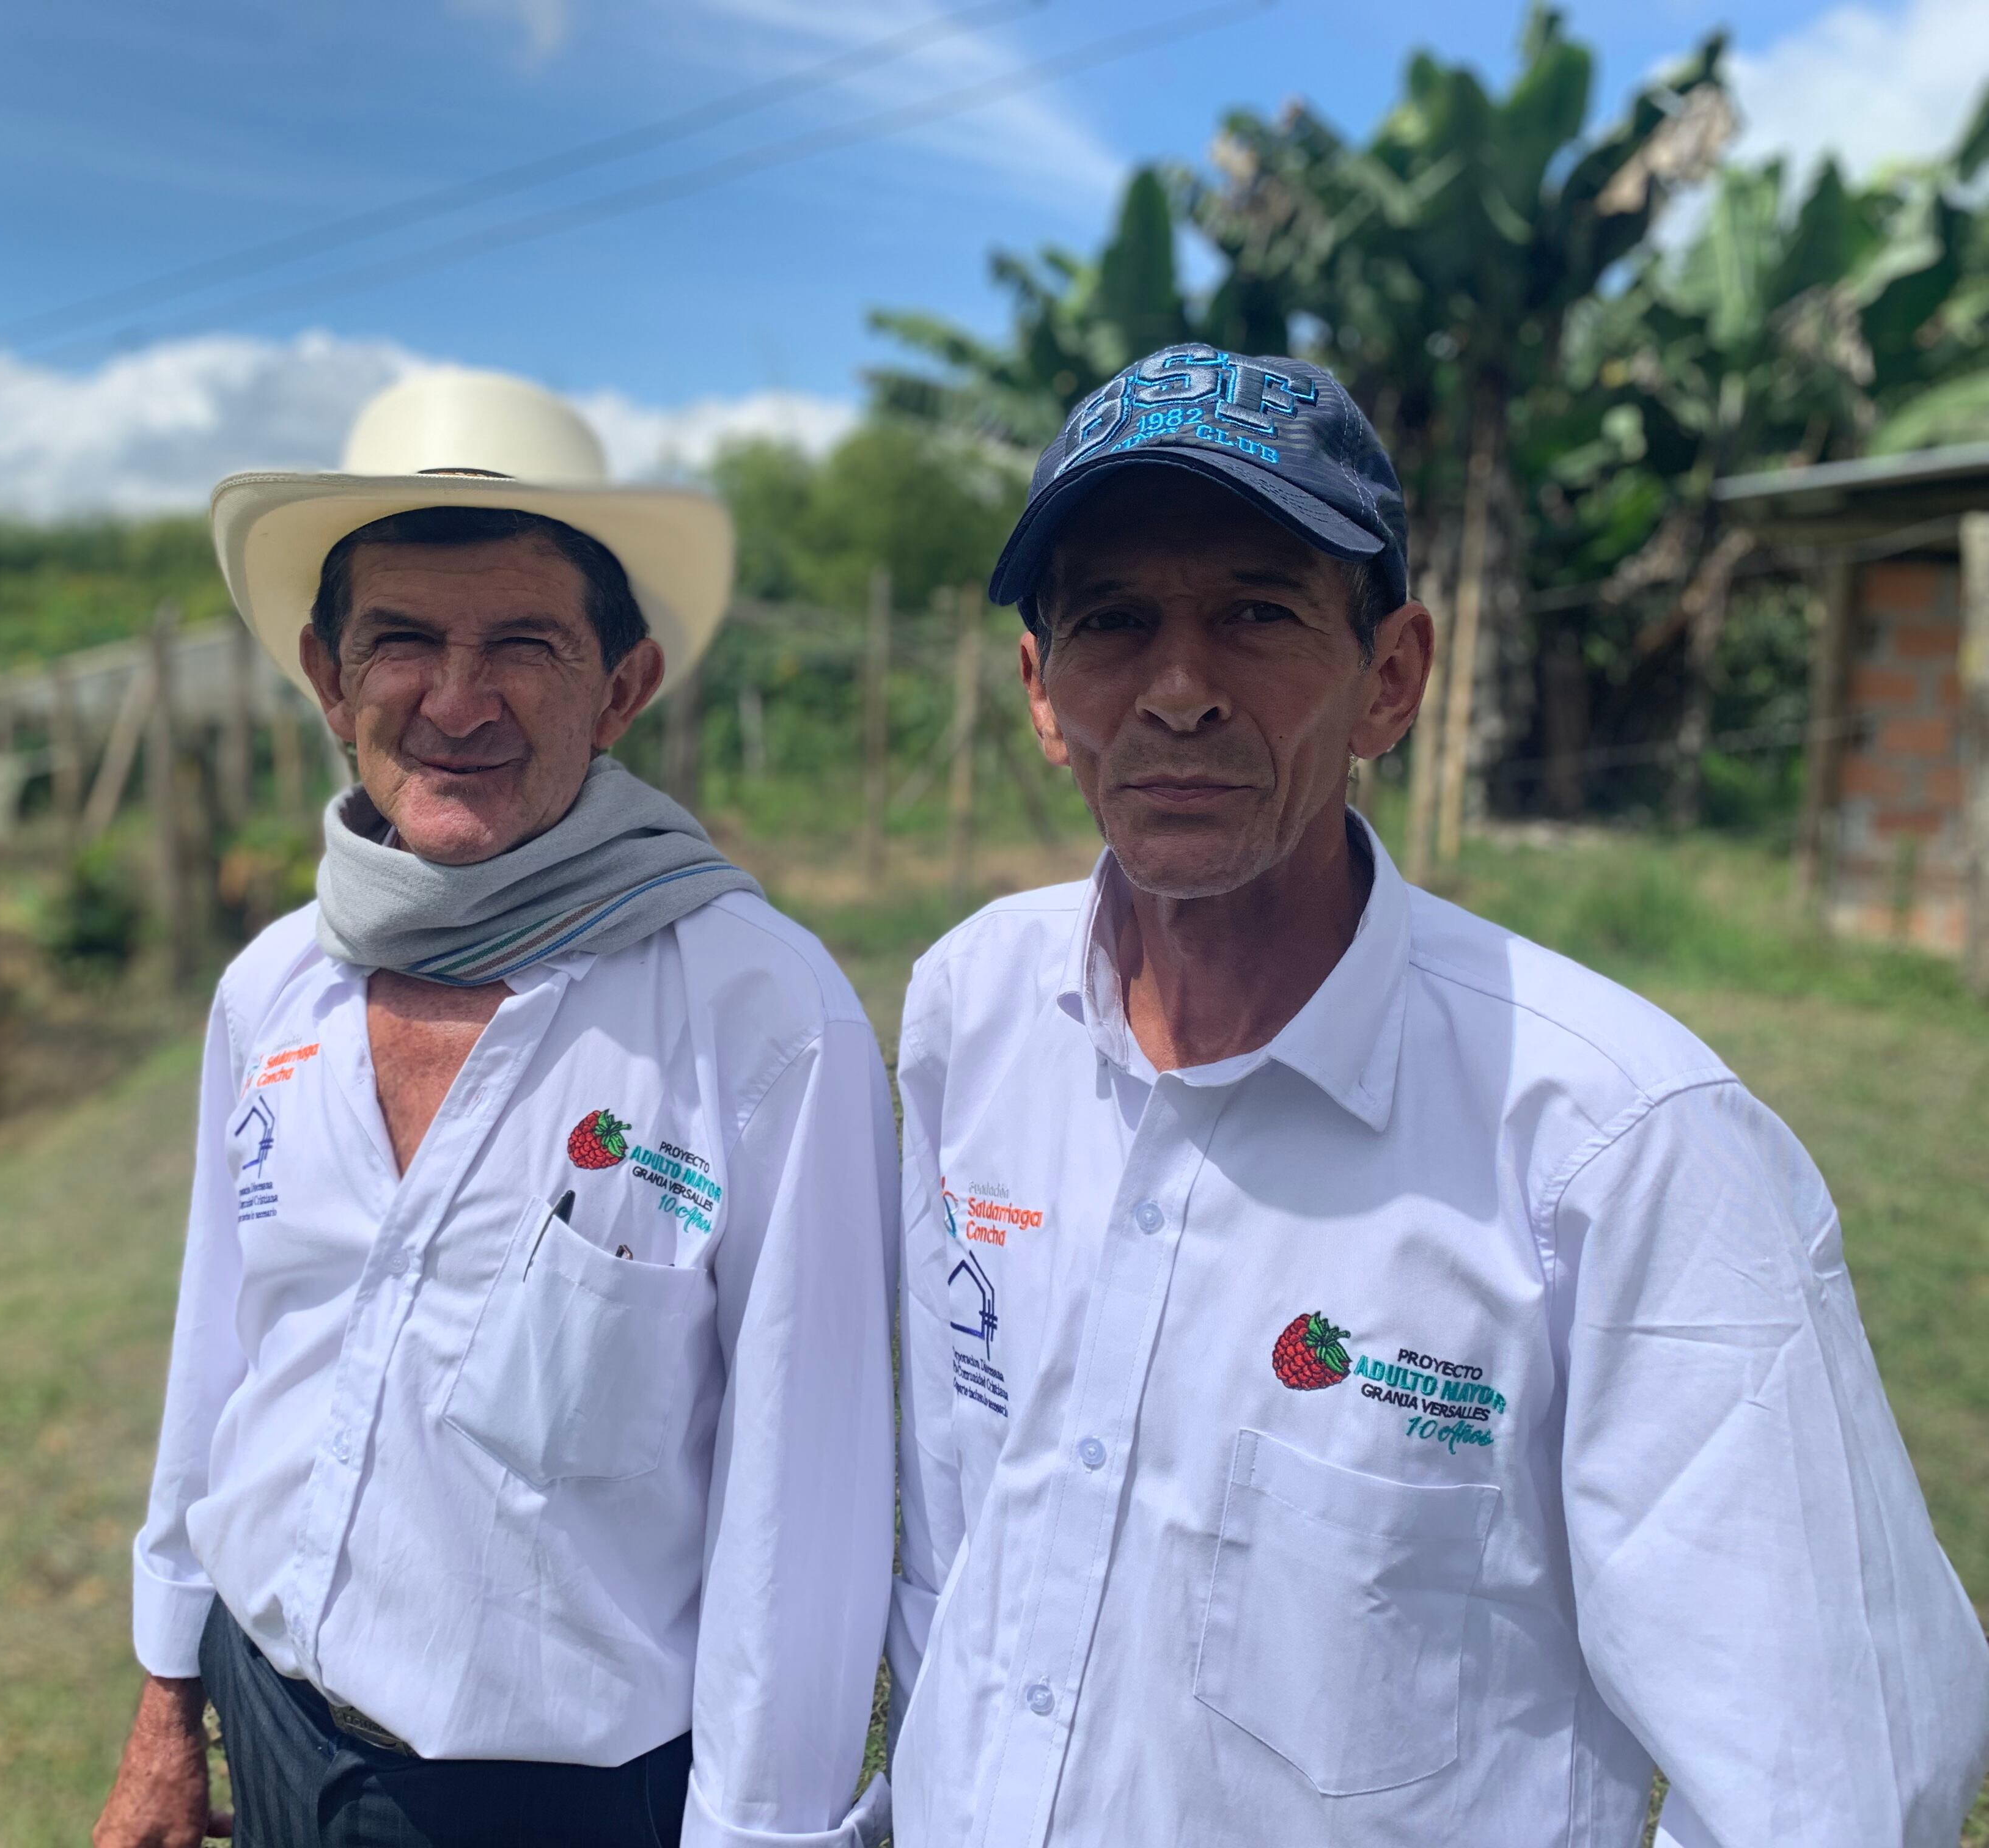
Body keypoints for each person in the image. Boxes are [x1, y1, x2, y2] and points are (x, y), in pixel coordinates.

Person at [886, 343, 1989, 1846]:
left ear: (1391, 680)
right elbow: (962, 1521)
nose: (1180, 692)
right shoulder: (975, 1014)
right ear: (1042, 691)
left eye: (1258, 615)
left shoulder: (1619, 1143)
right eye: (1113, 621)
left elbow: (1837, 1775)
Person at [95, 368, 896, 1848]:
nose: (456, 701)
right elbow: (223, 1354)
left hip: (557, 1804)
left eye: (524, 644)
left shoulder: (761, 1016)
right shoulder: (276, 988)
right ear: (328, 676)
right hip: (267, 1718)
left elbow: (809, 1504)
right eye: (402, 640)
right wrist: (167, 1699)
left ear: (624, 687)